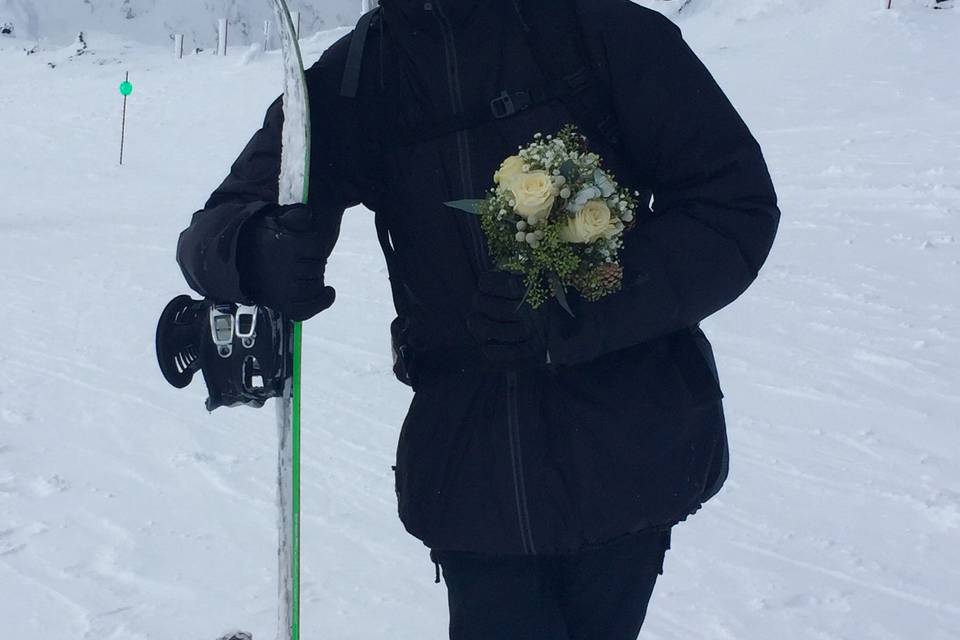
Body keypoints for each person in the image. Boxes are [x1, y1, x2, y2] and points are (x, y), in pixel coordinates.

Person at [176, 0, 781, 637]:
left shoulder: (599, 32)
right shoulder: (363, 75)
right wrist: (255, 248)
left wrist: (578, 303)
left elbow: (731, 204)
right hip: (473, 468)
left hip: (624, 448)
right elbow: (216, 227)